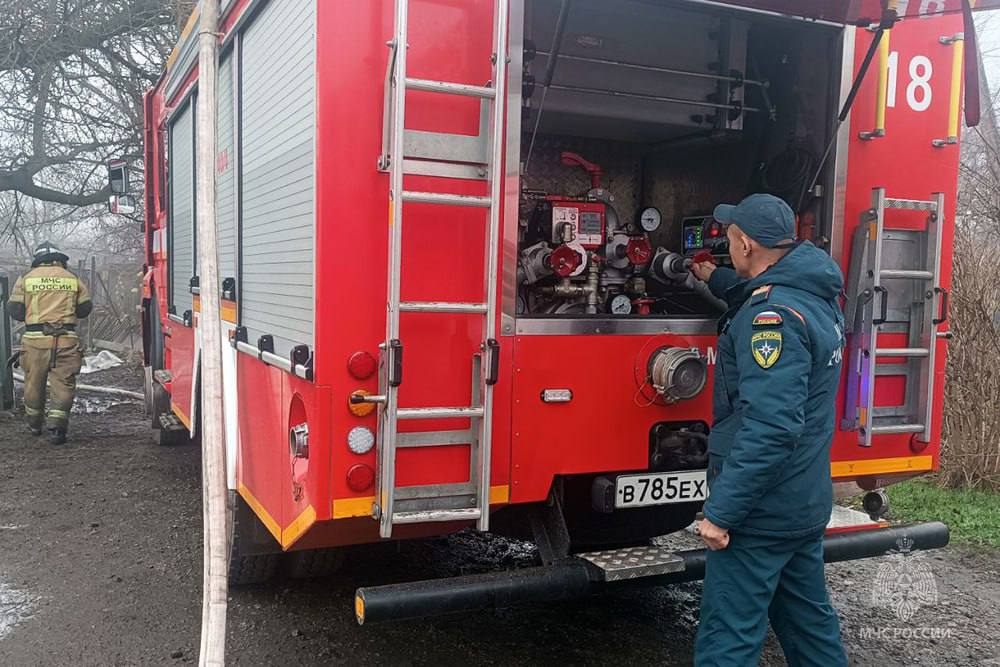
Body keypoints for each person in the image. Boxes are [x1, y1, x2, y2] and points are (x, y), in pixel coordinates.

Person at [688, 194, 848, 666]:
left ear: (746, 244)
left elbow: (772, 427)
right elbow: (758, 289)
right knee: (810, 630)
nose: (727, 246)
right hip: (802, 502)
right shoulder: (814, 294)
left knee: (728, 639)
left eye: (730, 239)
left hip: (760, 514)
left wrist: (722, 513)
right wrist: (712, 277)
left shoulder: (770, 319)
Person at [8, 242, 92, 445]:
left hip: (35, 342)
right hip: (66, 341)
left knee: (33, 383)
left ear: (37, 260)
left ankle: (34, 424)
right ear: (60, 259)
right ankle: (57, 429)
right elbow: (85, 309)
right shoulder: (72, 278)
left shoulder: (26, 279)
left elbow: (15, 310)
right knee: (64, 384)